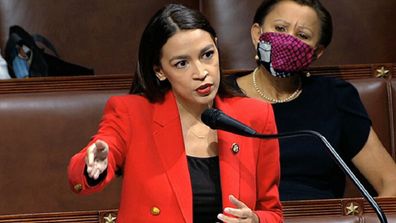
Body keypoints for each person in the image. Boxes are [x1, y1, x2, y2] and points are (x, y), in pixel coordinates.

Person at [67, 4, 283, 223]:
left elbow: (273, 213)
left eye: (207, 54)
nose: (201, 72)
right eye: (182, 63)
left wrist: (256, 220)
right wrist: (93, 164)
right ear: (159, 70)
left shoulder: (255, 116)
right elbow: (83, 174)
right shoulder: (131, 113)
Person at [228, 0, 396, 201]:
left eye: (302, 35)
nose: (288, 40)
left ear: (316, 52)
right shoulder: (222, 96)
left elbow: (391, 182)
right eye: (280, 28)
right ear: (257, 34)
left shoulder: (335, 97)